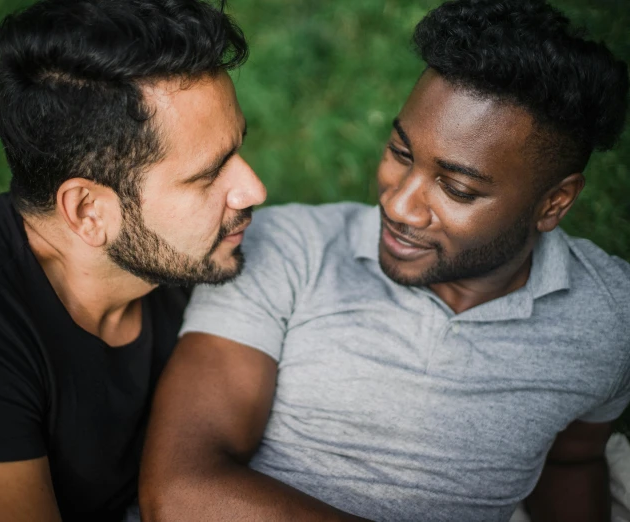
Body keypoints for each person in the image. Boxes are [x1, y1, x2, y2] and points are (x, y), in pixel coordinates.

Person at [139, 0, 630, 521]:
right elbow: (180, 491)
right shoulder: (289, 249)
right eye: (400, 152)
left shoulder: (609, 317)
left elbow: (572, 461)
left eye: (457, 188)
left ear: (554, 203)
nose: (397, 204)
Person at [0, 0, 265, 520]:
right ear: (89, 211)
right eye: (208, 175)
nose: (254, 190)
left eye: (239, 150)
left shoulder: (186, 260)